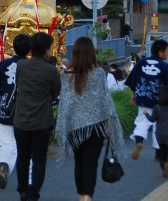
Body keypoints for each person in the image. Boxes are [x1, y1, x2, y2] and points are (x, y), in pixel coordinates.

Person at [55, 37, 126, 201]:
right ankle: (87, 196)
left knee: (79, 162)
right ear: (91, 53)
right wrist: (111, 122)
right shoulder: (99, 73)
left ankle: (81, 195)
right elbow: (105, 99)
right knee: (91, 162)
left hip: (74, 127)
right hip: (96, 126)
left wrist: (63, 126)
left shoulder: (66, 75)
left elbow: (65, 104)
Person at [13, 31, 61, 201]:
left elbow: (19, 85)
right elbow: (55, 93)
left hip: (21, 119)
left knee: (23, 155)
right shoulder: (51, 71)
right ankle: (33, 193)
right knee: (39, 158)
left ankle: (22, 189)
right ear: (47, 50)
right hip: (42, 121)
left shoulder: (22, 65)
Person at [0, 33, 30, 190]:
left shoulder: (3, 65)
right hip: (27, 110)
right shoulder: (32, 66)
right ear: (29, 49)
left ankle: (4, 164)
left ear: (13, 48)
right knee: (26, 146)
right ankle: (29, 180)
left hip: (5, 108)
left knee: (6, 142)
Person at [125, 38, 168, 160]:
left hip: (143, 98)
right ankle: (159, 155)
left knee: (142, 122)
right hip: (160, 101)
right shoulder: (164, 66)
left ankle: (139, 141)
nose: (167, 53)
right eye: (166, 51)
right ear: (160, 52)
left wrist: (134, 94)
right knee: (158, 127)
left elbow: (133, 79)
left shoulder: (141, 62)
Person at [144, 87, 168, 177]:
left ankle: (164, 166)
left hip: (160, 134)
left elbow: (152, 120)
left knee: (162, 152)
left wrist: (146, 113)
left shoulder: (157, 108)